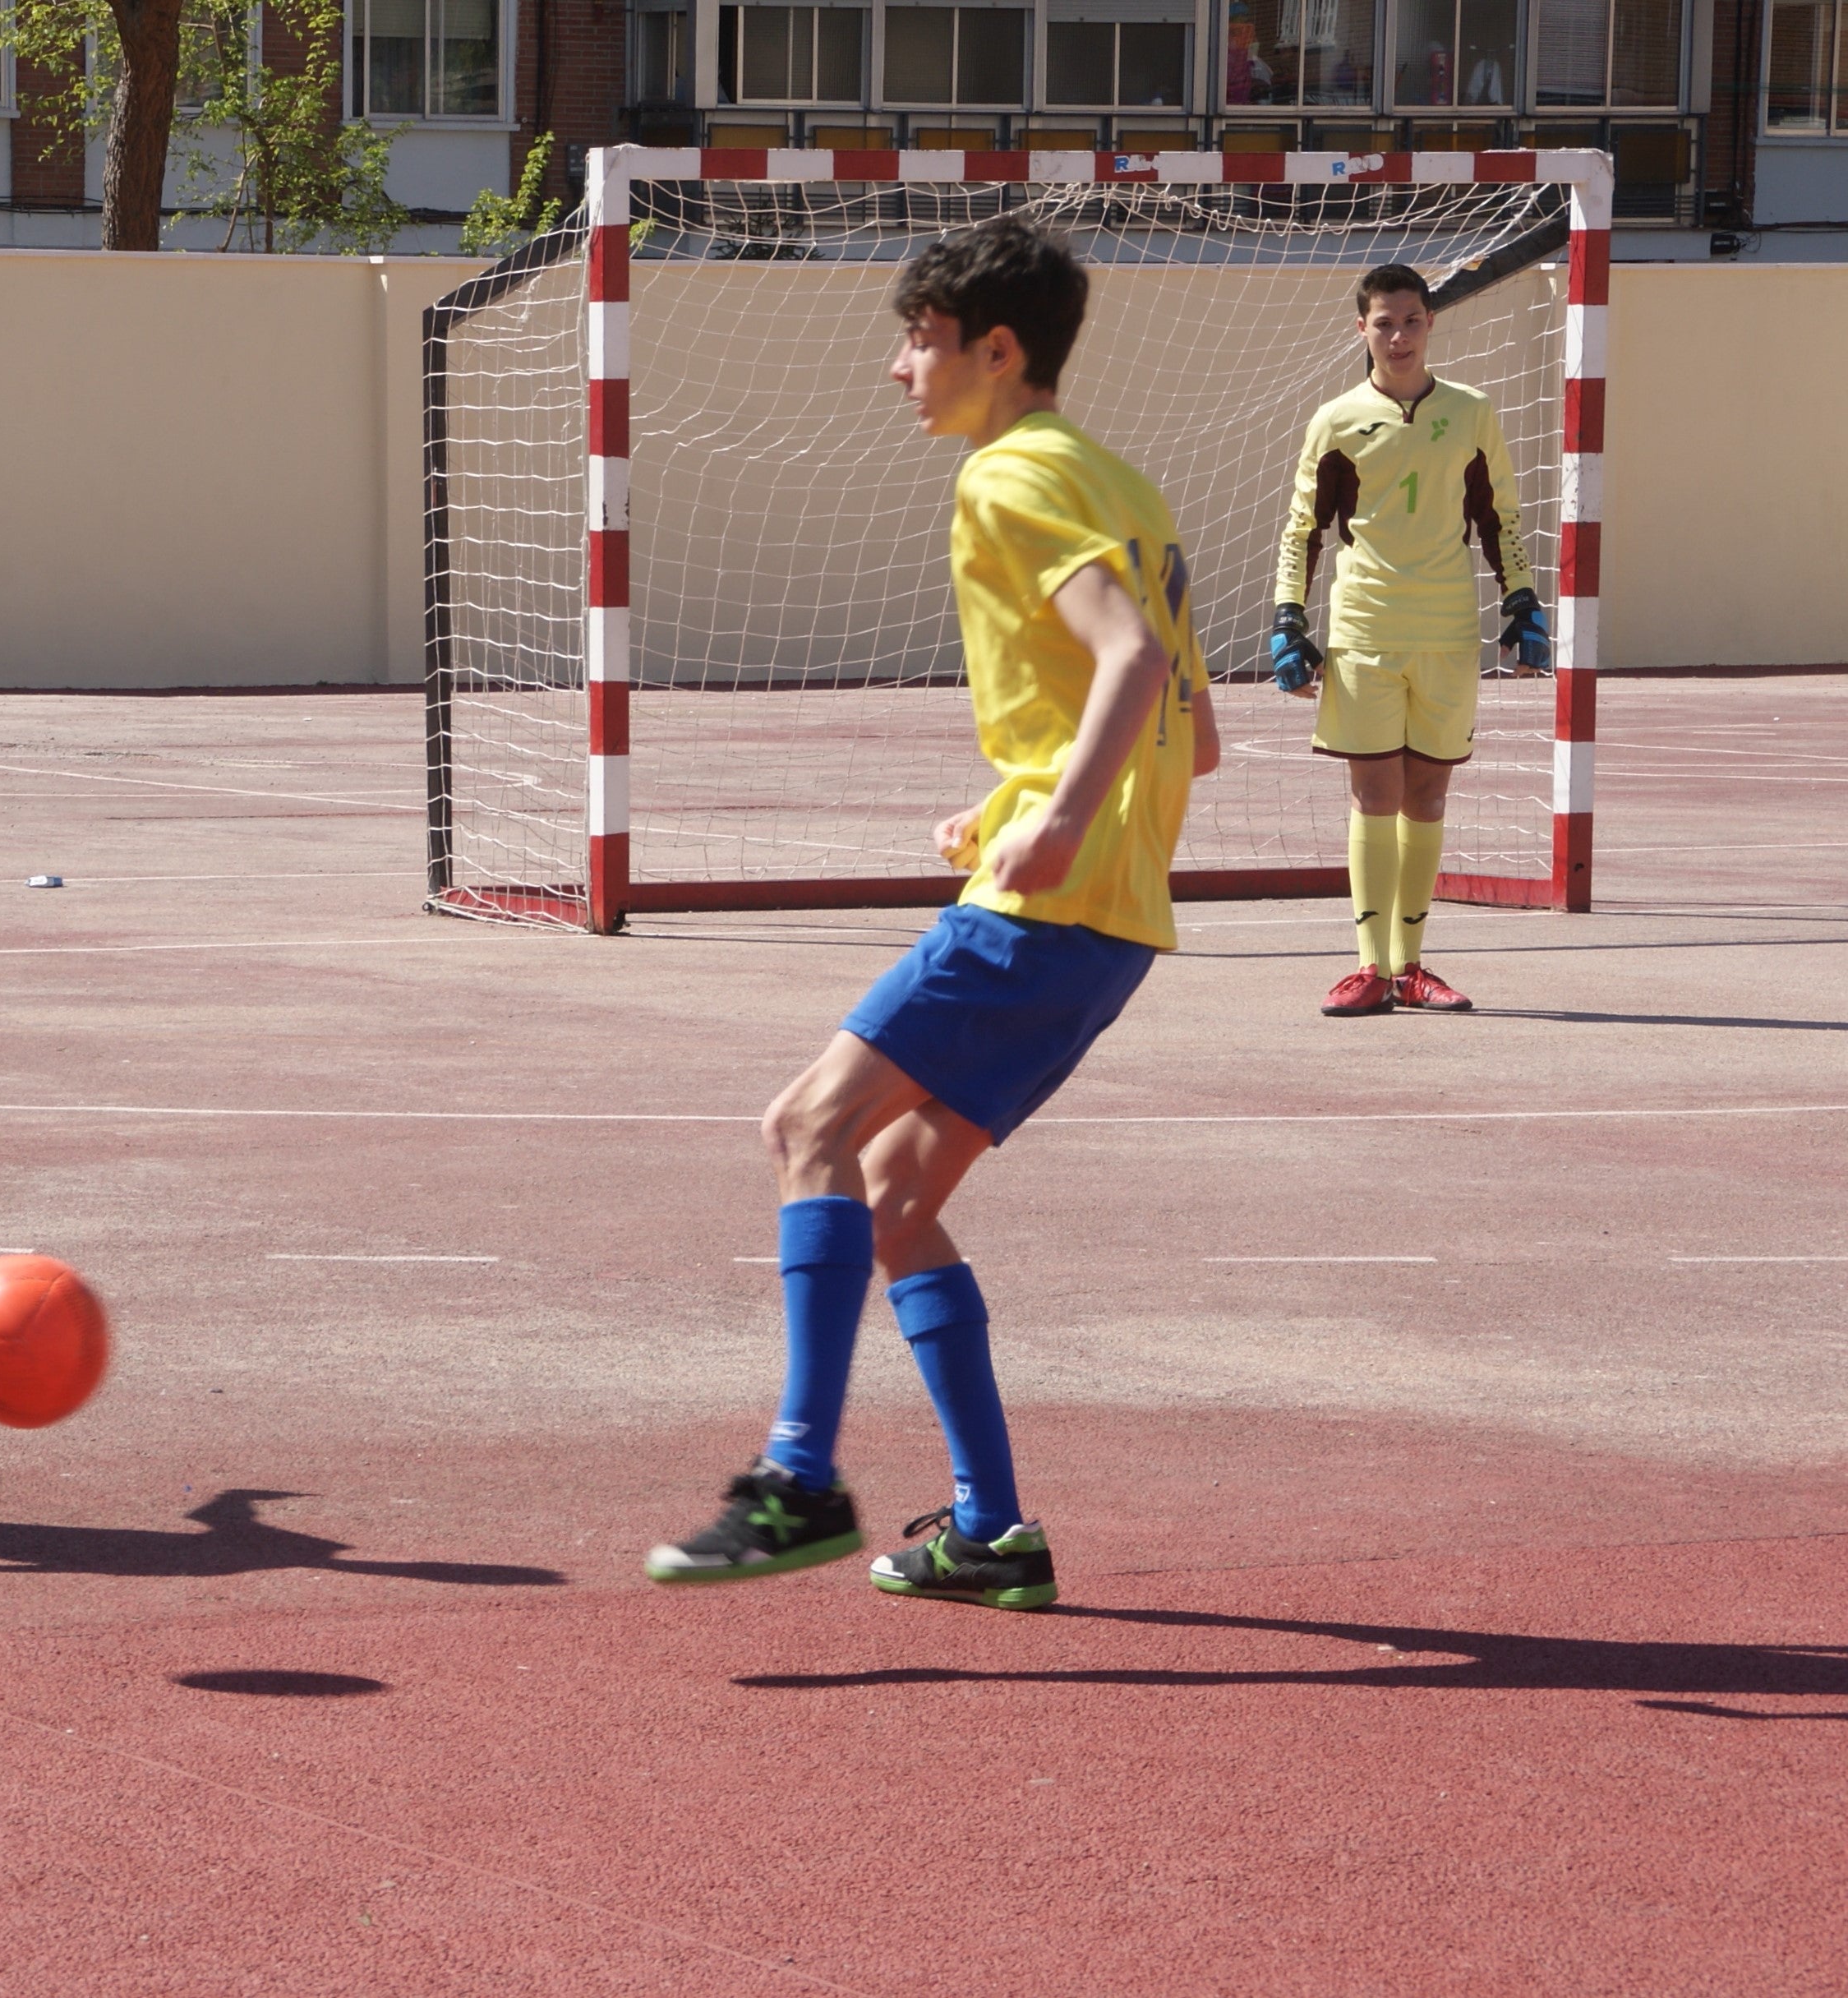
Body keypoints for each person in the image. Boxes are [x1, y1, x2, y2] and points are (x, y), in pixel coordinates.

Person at [643, 217, 1219, 1608]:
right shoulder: (1120, 484)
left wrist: (1061, 816)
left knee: (807, 1128)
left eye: (920, 338)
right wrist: (1022, 790)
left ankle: (797, 1477)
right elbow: (1194, 738)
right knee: (896, 1198)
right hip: (1117, 926)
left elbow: (1133, 660)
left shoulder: (1010, 475)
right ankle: (991, 1532)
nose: (897, 368)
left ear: (996, 350)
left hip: (1051, 905)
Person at [1266, 261, 1544, 1018]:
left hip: (1448, 630)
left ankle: (1411, 965)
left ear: (1430, 324)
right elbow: (1302, 529)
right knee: (1373, 793)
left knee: (1427, 794)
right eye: (1382, 323)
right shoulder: (1335, 419)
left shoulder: (1471, 410)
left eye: (1410, 321)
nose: (1397, 336)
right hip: (1363, 628)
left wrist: (1521, 600)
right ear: (1361, 330)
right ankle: (1367, 967)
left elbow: (1499, 517)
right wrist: (1288, 617)